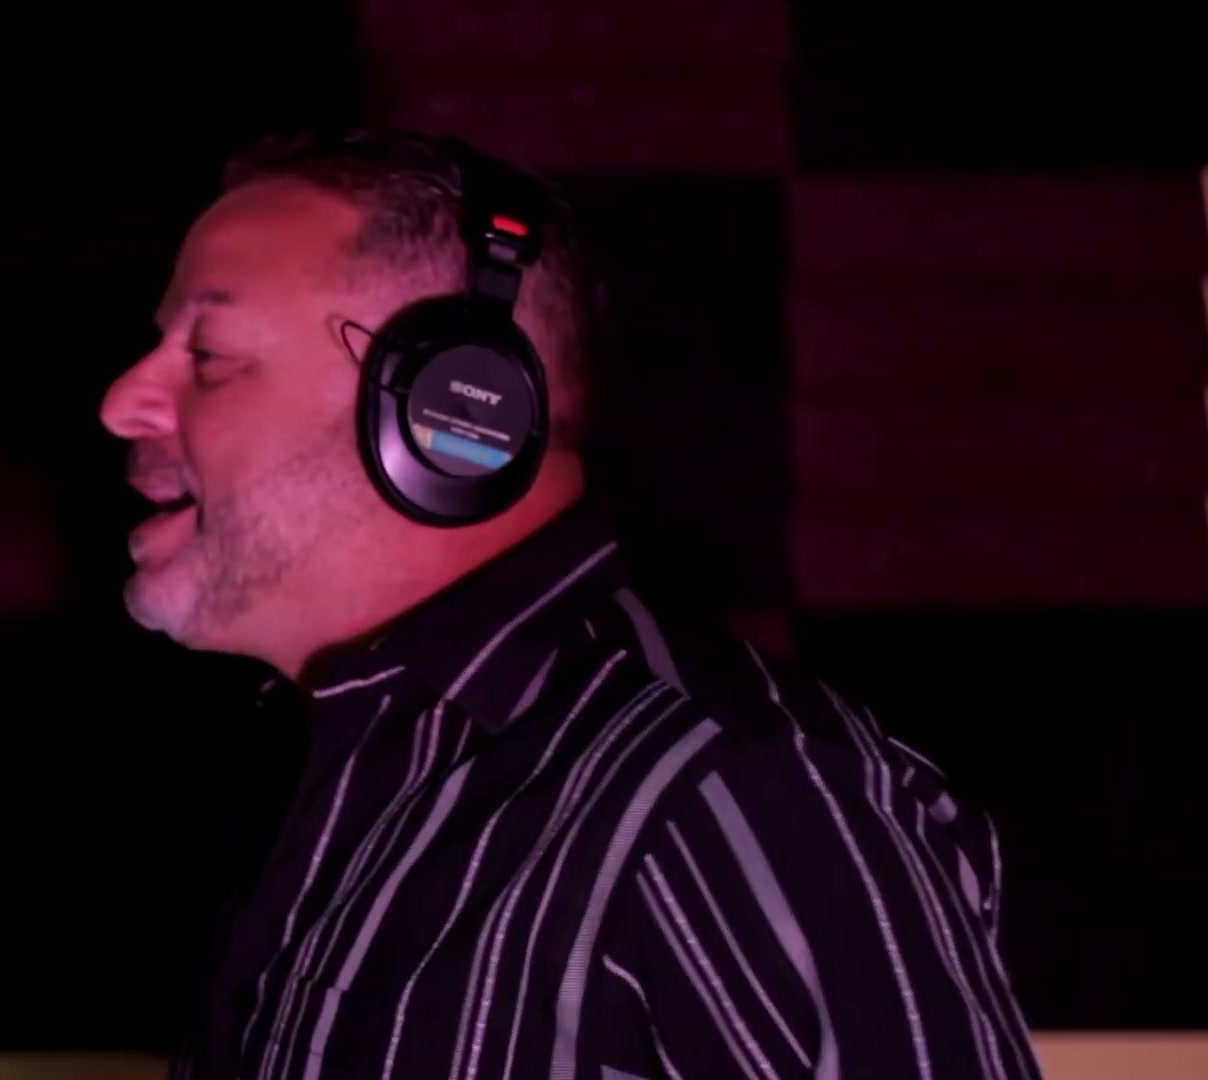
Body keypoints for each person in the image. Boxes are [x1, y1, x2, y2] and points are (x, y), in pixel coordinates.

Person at [98, 128, 1041, 1080]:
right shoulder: (329, 776)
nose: (122, 403)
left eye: (207, 353)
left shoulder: (739, 795)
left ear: (454, 404)